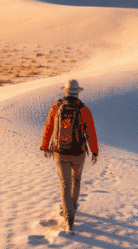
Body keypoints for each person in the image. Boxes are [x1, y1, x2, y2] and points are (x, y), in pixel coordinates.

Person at [40, 79, 99, 233]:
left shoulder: (56, 108)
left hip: (60, 152)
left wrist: (45, 146)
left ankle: (68, 217)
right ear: (78, 92)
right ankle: (71, 208)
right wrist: (94, 151)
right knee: (76, 180)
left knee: (65, 184)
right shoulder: (84, 110)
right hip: (79, 153)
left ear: (65, 91)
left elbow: (48, 127)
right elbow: (91, 132)